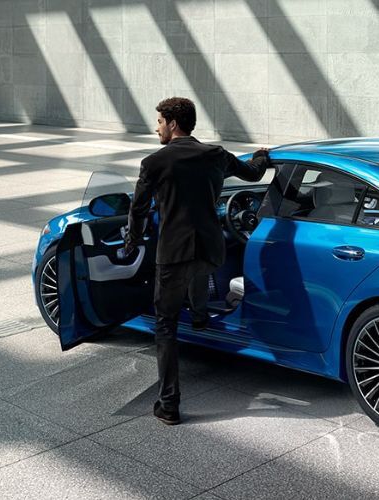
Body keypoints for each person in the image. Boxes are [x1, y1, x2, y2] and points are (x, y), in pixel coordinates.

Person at [122, 96, 271, 425]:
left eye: (159, 122)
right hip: (210, 248)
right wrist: (262, 156)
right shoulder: (215, 155)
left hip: (174, 253)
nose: (156, 127)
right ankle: (201, 315)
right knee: (199, 272)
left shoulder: (155, 163)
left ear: (173, 124)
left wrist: (132, 241)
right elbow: (251, 173)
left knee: (165, 324)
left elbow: (139, 209)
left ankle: (169, 404)